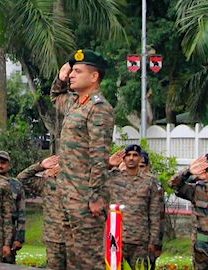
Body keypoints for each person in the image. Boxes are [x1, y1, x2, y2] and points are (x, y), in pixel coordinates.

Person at [51, 49, 115, 270]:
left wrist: (95, 196)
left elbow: (99, 156)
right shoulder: (75, 103)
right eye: (72, 71)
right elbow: (56, 97)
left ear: (94, 76)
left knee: (88, 260)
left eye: (77, 71)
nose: (71, 75)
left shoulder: (98, 108)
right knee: (74, 258)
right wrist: (59, 79)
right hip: (69, 194)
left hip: (86, 197)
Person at [106, 144, 164, 269]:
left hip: (140, 240)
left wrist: (154, 241)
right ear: (124, 159)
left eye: (135, 155)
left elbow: (154, 213)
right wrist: (109, 164)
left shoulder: (149, 181)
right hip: (116, 238)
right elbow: (93, 176)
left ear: (139, 159)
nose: (131, 158)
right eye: (128, 155)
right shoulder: (113, 177)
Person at [17, 155, 66, 270]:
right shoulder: (47, 183)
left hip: (78, 237)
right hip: (55, 238)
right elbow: (21, 179)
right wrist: (40, 166)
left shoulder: (80, 184)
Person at [0, 150, 26, 263]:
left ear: (9, 165)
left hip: (9, 234)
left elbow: (21, 213)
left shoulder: (16, 185)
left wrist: (19, 238)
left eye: (3, 163)